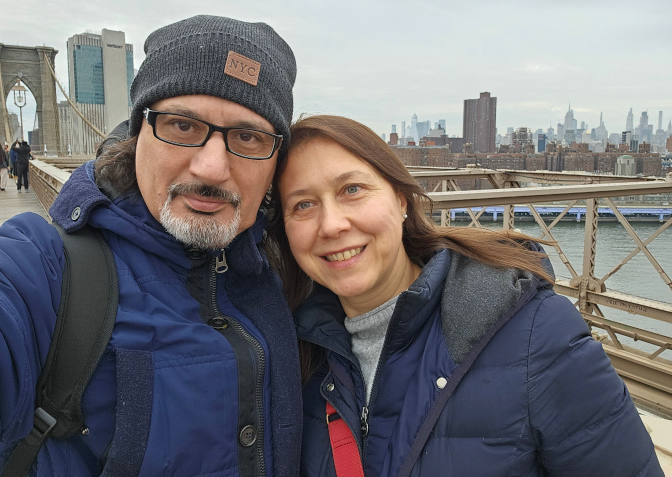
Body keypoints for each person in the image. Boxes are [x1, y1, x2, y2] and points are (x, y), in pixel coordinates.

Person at [0, 15, 302, 476]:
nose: (211, 167)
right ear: (137, 134)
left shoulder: (297, 271)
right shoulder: (46, 270)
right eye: (183, 125)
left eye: (248, 137)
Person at [270, 115, 663, 476]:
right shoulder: (292, 351)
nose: (332, 224)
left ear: (401, 200)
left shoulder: (537, 334)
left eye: (352, 189)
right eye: (303, 204)